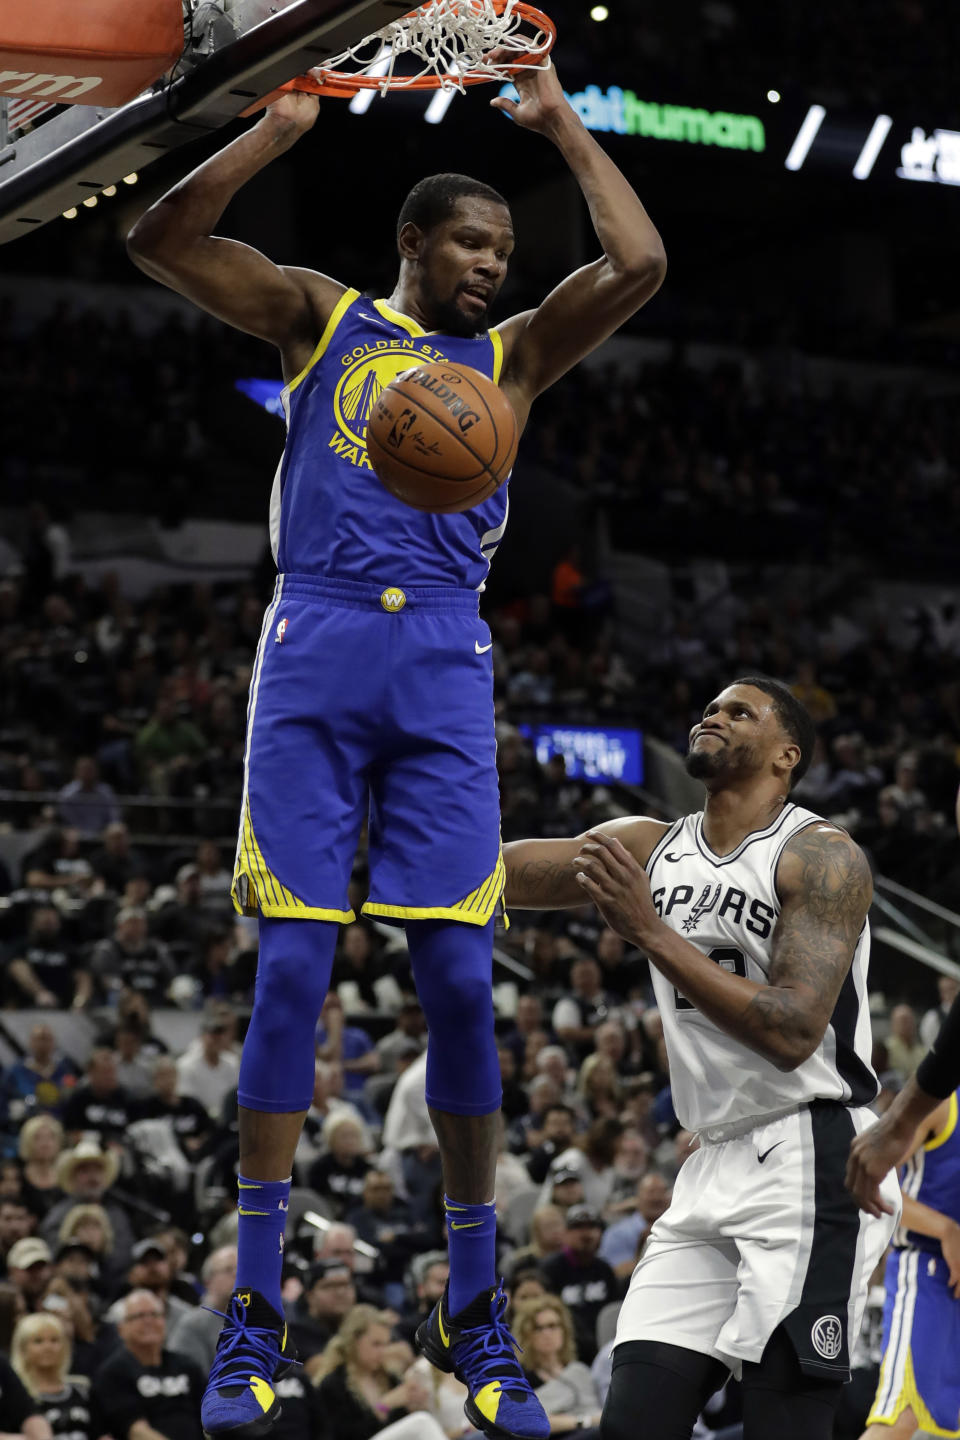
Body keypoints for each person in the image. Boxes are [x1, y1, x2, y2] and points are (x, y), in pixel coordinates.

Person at [126, 39, 666, 1440]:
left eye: (503, 246)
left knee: (462, 988)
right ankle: (253, 1310)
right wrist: (272, 137)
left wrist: (557, 126)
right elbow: (154, 235)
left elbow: (643, 263)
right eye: (471, 241)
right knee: (295, 975)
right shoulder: (318, 315)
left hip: (441, 653)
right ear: (415, 240)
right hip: (314, 647)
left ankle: (473, 1303)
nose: (493, 263)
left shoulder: (516, 353)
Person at [502, 678, 901, 1440]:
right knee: (633, 1424)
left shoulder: (819, 856)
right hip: (708, 1158)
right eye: (711, 708)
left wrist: (650, 932)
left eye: (739, 711)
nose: (713, 716)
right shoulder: (650, 845)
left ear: (787, 755)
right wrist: (390, 817)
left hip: (808, 1154)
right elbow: (494, 870)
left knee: (782, 1426)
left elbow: (791, 1033)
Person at [858, 1085, 960, 1439]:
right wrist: (946, 1230)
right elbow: (872, 1178)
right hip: (928, 1274)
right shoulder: (941, 1103)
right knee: (901, 1419)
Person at [313, 1304, 449, 1440]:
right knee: (421, 1422)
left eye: (386, 1344)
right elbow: (346, 1434)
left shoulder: (389, 1377)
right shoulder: (332, 1384)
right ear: (353, 1341)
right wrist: (384, 1406)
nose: (383, 1352)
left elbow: (399, 1425)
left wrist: (413, 1405)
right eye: (376, 1344)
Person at [90, 1289, 205, 1440]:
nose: (148, 1321)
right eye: (139, 1316)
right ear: (121, 1329)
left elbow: (210, 1416)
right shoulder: (113, 1373)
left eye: (154, 1314)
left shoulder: (187, 1365)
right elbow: (137, 1432)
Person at [512, 1293, 603, 1438]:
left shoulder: (579, 1371)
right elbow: (525, 1422)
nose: (547, 1333)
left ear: (564, 1330)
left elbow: (595, 1410)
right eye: (538, 1328)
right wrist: (582, 1421)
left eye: (552, 1326)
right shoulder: (519, 1378)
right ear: (526, 1335)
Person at [11, 1311, 93, 1440]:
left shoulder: (82, 1389)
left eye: (54, 1340)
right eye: (38, 1341)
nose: (47, 1347)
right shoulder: (17, 1398)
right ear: (23, 1348)